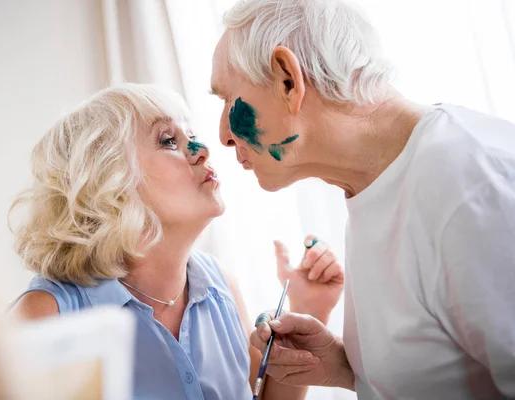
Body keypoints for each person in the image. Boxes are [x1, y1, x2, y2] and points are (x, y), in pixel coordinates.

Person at [210, 0, 515, 398]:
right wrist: (345, 367)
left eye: (227, 99)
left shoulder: (467, 185)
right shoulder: (373, 187)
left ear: (288, 81)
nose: (222, 135)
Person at [9, 83, 344, 399]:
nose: (201, 150)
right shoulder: (46, 315)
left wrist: (309, 310)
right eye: (169, 139)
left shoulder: (222, 287)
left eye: (192, 134)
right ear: (108, 181)